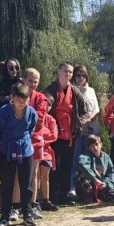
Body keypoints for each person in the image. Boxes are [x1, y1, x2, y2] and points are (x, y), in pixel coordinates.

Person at [0, 80, 38, 226]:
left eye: (24, 100)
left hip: (25, 149)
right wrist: (7, 142)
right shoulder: (3, 112)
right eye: (18, 100)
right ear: (12, 97)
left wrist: (24, 140)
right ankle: (5, 215)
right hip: (7, 149)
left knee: (27, 184)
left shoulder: (31, 112)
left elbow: (31, 128)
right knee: (7, 183)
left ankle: (27, 214)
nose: (21, 103)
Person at [45, 62, 85, 203]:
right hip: (55, 134)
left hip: (70, 134)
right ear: (58, 71)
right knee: (55, 165)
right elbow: (44, 108)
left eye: (70, 72)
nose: (67, 74)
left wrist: (78, 122)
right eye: (65, 71)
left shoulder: (74, 91)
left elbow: (82, 109)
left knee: (67, 165)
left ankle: (64, 193)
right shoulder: (50, 89)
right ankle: (51, 195)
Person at [69, 63, 100, 197]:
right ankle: (72, 186)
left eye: (83, 75)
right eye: (77, 75)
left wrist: (91, 118)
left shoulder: (91, 90)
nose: (80, 78)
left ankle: (91, 187)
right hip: (78, 131)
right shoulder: (71, 90)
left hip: (92, 129)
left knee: (90, 160)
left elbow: (97, 108)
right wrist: (82, 123)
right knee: (76, 160)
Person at [75, 134, 114, 204]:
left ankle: (97, 197)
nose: (95, 147)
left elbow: (110, 174)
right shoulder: (85, 155)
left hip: (101, 186)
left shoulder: (106, 157)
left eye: (96, 144)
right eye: (92, 146)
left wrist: (105, 184)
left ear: (101, 145)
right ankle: (88, 196)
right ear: (88, 148)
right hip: (89, 185)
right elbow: (81, 164)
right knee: (81, 173)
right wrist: (94, 180)